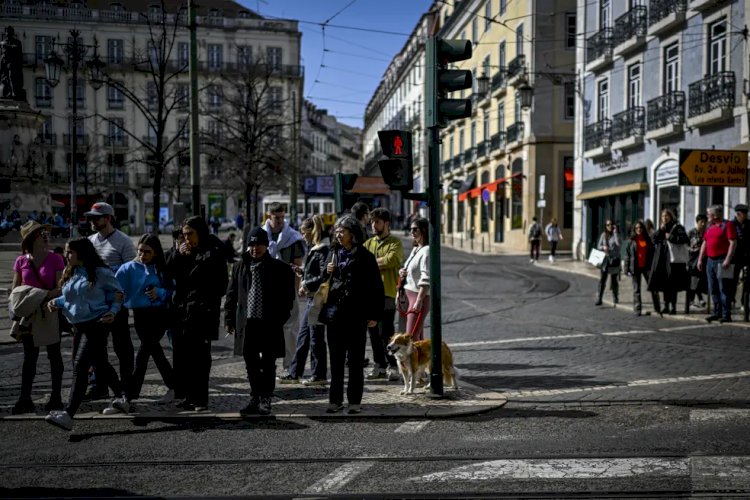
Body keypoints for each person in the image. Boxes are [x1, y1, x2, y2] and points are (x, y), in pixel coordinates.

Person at [44, 238, 125, 431]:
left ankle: (69, 414)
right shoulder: (71, 271)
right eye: (66, 252)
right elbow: (73, 296)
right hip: (78, 325)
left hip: (97, 323)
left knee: (80, 367)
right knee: (101, 364)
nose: (66, 255)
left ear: (82, 252)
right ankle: (123, 397)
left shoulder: (102, 273)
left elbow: (118, 294)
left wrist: (112, 312)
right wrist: (58, 302)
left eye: (70, 252)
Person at [225, 227, 295, 416]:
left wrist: (281, 317)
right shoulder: (240, 267)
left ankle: (266, 398)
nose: (255, 248)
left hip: (269, 322)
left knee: (269, 362)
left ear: (266, 245)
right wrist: (229, 319)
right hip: (247, 323)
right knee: (251, 362)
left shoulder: (279, 268)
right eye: (252, 244)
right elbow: (231, 294)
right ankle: (255, 396)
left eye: (259, 244)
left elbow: (288, 297)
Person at [321, 215, 384, 414]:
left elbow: (376, 287)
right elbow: (320, 281)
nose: (338, 235)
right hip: (334, 315)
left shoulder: (365, 256)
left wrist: (374, 314)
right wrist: (326, 270)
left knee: (355, 361)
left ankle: (354, 401)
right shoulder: (333, 254)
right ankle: (335, 400)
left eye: (343, 231)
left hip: (357, 315)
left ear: (353, 234)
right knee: (336, 360)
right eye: (337, 231)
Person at [166, 216, 228, 411]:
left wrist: (204, 301)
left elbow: (221, 283)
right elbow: (168, 273)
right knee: (183, 356)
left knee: (200, 358)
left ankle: (200, 399)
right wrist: (178, 255)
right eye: (184, 235)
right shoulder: (182, 250)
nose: (187, 239)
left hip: (203, 312)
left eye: (190, 234)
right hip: (182, 312)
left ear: (200, 232)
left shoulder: (214, 249)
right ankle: (185, 396)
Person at [10, 221, 65, 414]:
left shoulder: (56, 259)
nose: (45, 235)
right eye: (40, 233)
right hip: (30, 316)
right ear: (31, 239)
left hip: (49, 311)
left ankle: (56, 397)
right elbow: (16, 290)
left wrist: (43, 296)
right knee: (29, 358)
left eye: (45, 232)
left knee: (54, 355)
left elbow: (60, 288)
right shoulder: (21, 261)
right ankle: (24, 398)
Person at [85, 202, 137, 401]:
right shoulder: (90, 241)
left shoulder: (123, 242)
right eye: (90, 217)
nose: (91, 221)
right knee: (97, 348)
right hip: (95, 305)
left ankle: (126, 384)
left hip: (117, 305)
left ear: (108, 218)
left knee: (121, 346)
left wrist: (122, 299)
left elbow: (131, 273)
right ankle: (99, 384)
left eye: (95, 218)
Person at [115, 234, 175, 404]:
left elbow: (173, 291)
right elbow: (114, 287)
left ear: (155, 253)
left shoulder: (163, 268)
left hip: (160, 314)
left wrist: (160, 293)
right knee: (153, 351)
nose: (142, 255)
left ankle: (129, 395)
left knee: (143, 353)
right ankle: (174, 385)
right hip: (140, 315)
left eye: (147, 252)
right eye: (140, 250)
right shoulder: (128, 268)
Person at [278, 215, 330, 385]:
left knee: (315, 337)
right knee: (304, 337)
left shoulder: (322, 248)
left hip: (317, 298)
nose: (302, 236)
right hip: (312, 298)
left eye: (304, 232)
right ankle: (295, 372)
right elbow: (317, 272)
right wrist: (302, 272)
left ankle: (319, 374)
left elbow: (324, 275)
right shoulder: (316, 248)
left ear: (311, 231)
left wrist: (306, 283)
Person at [257, 203, 305, 374]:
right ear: (268, 216)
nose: (279, 221)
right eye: (276, 217)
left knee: (290, 329)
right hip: (265, 289)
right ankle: (265, 361)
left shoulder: (292, 237)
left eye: (282, 217)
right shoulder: (260, 235)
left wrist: (295, 291)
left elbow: (298, 266)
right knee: (264, 327)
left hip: (286, 289)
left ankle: (290, 365)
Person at [363, 208, 403, 382]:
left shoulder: (395, 242)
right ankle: (379, 364)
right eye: (372, 222)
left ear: (386, 224)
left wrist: (371, 263)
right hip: (370, 295)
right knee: (372, 332)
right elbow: (360, 262)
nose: (373, 225)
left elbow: (392, 259)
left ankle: (393, 365)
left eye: (377, 222)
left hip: (387, 293)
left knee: (386, 331)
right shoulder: (368, 243)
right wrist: (376, 263)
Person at [698, 205, 737, 323]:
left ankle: (726, 314)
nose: (706, 215)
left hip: (722, 261)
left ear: (715, 215)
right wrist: (700, 259)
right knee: (713, 288)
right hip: (710, 261)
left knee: (723, 288)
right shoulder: (710, 226)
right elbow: (705, 243)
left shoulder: (727, 225)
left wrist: (728, 259)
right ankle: (717, 312)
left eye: (708, 213)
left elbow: (733, 243)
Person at [648, 209, 689, 315]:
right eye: (662, 216)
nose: (664, 218)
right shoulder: (662, 228)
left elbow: (684, 239)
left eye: (666, 216)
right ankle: (666, 305)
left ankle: (673, 307)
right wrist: (660, 231)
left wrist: (670, 237)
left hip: (674, 260)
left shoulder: (678, 227)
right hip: (663, 259)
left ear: (671, 216)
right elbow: (653, 240)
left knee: (673, 284)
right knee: (664, 283)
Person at [399, 217, 430, 340]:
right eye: (410, 229)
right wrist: (402, 271)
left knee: (411, 337)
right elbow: (409, 268)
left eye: (415, 229)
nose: (411, 232)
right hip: (407, 295)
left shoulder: (427, 250)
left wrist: (419, 301)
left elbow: (426, 278)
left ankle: (413, 359)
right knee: (417, 336)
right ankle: (422, 359)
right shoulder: (416, 248)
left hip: (417, 297)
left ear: (423, 230)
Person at [624, 220, 656, 316]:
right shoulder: (631, 241)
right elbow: (627, 255)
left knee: (652, 287)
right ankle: (637, 309)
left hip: (647, 267)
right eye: (637, 228)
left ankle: (657, 307)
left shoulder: (648, 239)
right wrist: (626, 268)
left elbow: (652, 253)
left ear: (643, 228)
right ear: (634, 229)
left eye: (640, 227)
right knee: (636, 289)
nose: (639, 229)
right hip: (635, 267)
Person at [595, 220, 620, 306]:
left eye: (611, 224)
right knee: (602, 280)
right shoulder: (603, 235)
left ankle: (615, 297)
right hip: (605, 260)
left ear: (613, 225)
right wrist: (603, 247)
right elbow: (598, 246)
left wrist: (615, 233)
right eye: (607, 225)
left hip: (614, 260)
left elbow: (618, 243)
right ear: (605, 226)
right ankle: (599, 298)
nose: (609, 226)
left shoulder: (616, 235)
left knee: (614, 280)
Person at [729, 204, 749, 311]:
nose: (746, 215)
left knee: (747, 281)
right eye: (744, 214)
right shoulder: (731, 224)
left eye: (746, 213)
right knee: (733, 280)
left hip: (747, 257)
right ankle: (732, 300)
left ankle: (744, 302)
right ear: (738, 214)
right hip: (735, 257)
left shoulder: (749, 224)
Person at [687, 214, 708, 309]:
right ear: (697, 222)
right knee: (694, 280)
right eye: (701, 222)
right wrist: (693, 249)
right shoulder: (691, 232)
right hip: (693, 259)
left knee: (700, 280)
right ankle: (691, 301)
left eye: (704, 222)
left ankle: (700, 298)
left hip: (704, 260)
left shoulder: (707, 233)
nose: (703, 224)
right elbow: (685, 245)